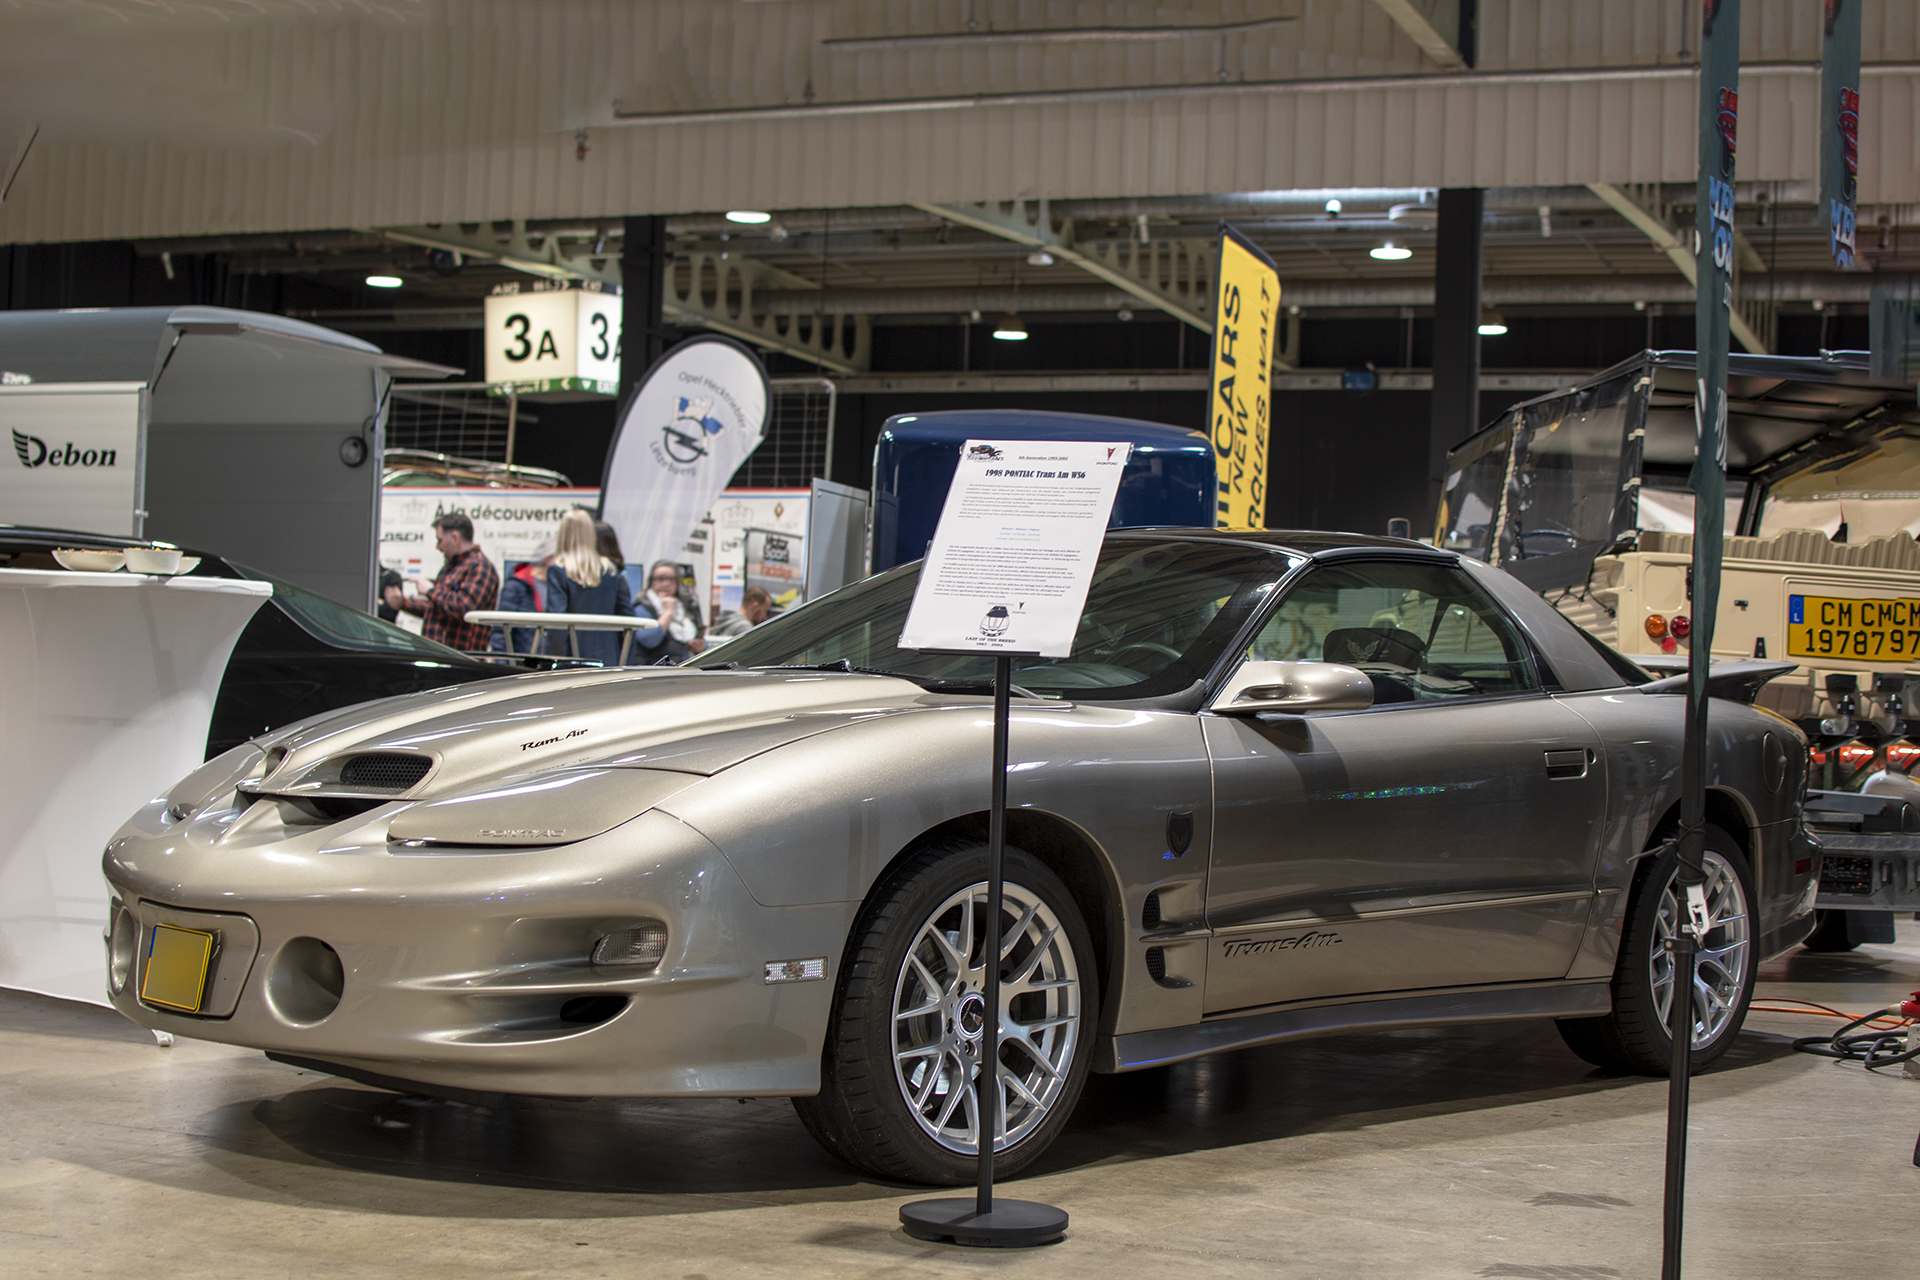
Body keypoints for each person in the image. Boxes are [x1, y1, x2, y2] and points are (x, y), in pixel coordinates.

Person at [383, 512, 499, 651]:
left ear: (455, 537)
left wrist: (430, 590)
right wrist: (403, 603)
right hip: (438, 655)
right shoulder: (451, 566)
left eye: (440, 540)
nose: (438, 546)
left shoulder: (480, 567)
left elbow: (463, 608)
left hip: (460, 659)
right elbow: (437, 609)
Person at [544, 510, 635, 665]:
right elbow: (628, 618)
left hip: (571, 659)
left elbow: (556, 621)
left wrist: (552, 660)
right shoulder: (610, 570)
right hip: (609, 659)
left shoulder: (558, 571)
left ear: (563, 533)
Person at [632, 559, 704, 663]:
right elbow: (648, 640)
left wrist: (701, 645)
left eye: (671, 579)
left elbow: (696, 633)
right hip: (654, 670)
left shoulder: (686, 605)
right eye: (660, 579)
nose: (666, 584)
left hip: (684, 668)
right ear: (652, 581)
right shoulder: (643, 606)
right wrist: (667, 612)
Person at [492, 536, 555, 654]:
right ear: (548, 559)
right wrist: (506, 666)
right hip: (522, 664)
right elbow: (501, 632)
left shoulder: (557, 586)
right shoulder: (517, 585)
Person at [708, 586, 774, 640]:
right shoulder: (745, 629)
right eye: (765, 611)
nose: (764, 616)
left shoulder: (726, 619)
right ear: (755, 607)